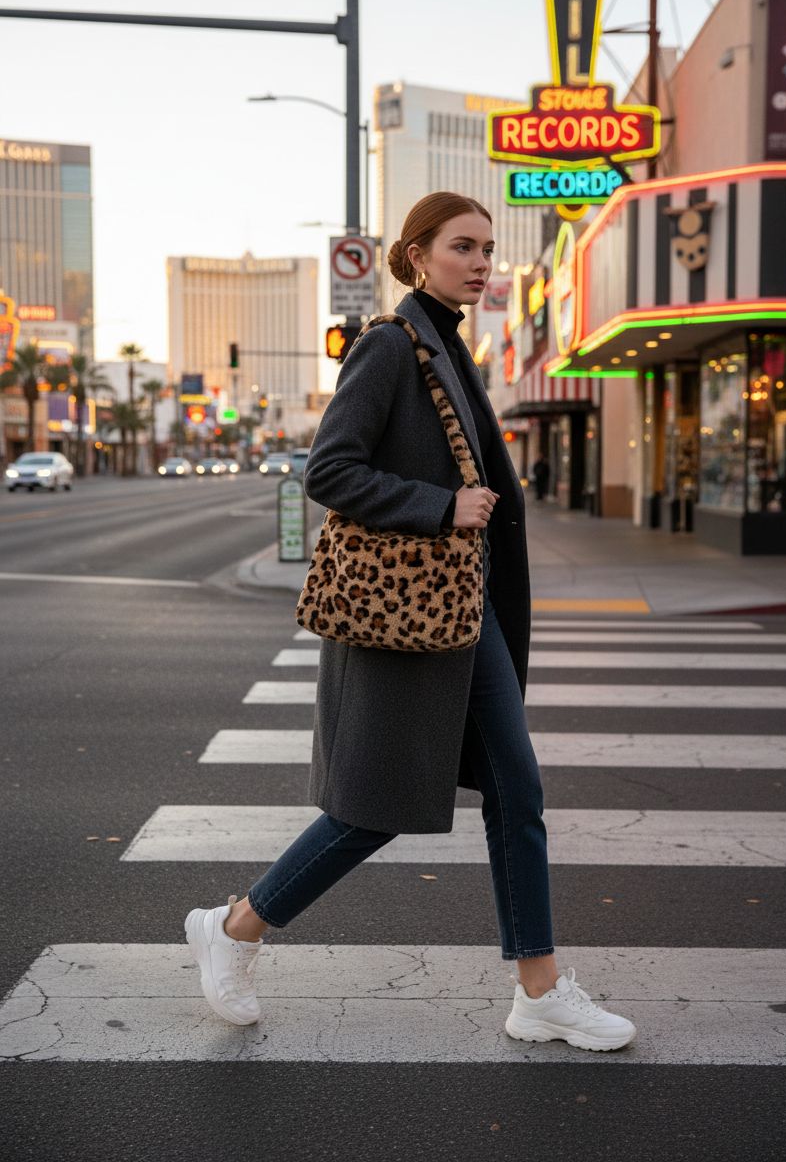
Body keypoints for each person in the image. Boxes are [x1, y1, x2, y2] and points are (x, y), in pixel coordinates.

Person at [185, 191, 636, 1052]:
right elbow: (330, 470)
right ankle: (236, 928)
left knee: (517, 789)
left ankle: (538, 988)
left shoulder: (448, 345)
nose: (481, 263)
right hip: (408, 612)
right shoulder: (391, 348)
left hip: (464, 610)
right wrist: (440, 505)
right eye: (463, 247)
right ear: (417, 254)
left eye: (488, 250)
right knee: (375, 804)